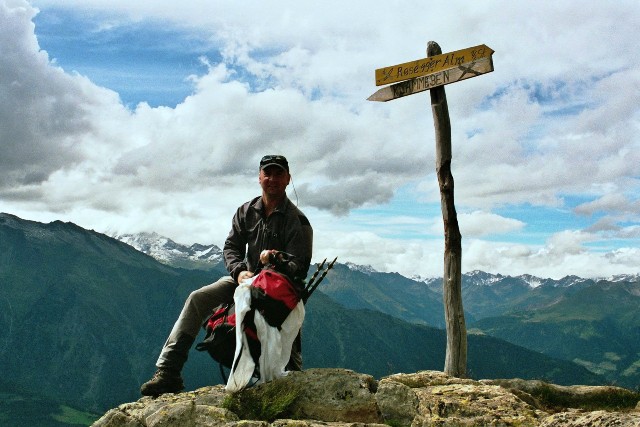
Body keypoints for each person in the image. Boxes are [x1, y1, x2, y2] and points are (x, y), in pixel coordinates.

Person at [141, 154, 313, 396]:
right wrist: (240, 271)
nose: (272, 179)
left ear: (288, 179)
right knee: (197, 298)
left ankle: (292, 387)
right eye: (268, 173)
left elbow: (300, 266)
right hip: (244, 281)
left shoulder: (298, 221)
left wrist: (275, 259)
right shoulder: (246, 211)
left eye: (278, 174)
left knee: (287, 347)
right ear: (259, 177)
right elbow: (231, 247)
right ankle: (168, 372)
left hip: (279, 293)